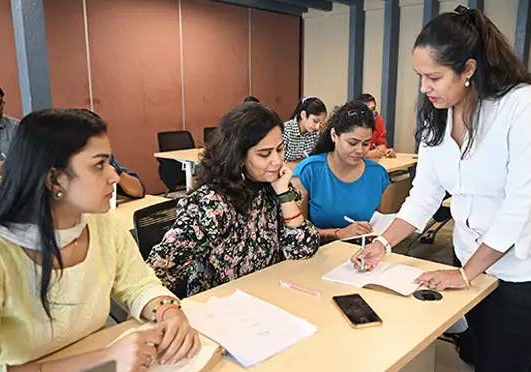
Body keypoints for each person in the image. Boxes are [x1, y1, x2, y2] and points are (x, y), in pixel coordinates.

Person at [352, 6, 531, 372]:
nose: (424, 88)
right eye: (420, 76)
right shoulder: (439, 115)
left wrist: (465, 274)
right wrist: (383, 243)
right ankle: (523, 356)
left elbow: (522, 206)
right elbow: (424, 194)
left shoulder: (526, 107)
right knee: (485, 352)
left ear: (469, 69)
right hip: (473, 255)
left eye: (434, 77)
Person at [0, 109, 200, 372]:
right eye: (99, 165)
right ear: (54, 179)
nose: (114, 176)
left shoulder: (102, 226)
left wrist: (169, 312)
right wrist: (105, 360)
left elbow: (139, 285)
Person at [148, 102, 320, 298]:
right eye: (264, 154)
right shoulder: (212, 204)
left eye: (280, 150)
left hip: (267, 297)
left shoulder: (272, 188)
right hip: (219, 306)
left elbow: (303, 249)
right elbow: (158, 271)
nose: (277, 161)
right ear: (238, 157)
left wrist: (284, 194)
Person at [292, 101, 390, 242]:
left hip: (362, 252)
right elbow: (295, 233)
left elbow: (379, 224)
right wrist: (337, 233)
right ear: (334, 135)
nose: (360, 150)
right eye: (352, 143)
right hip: (319, 252)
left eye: (366, 143)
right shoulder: (308, 171)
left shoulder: (378, 174)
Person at [282, 96, 327, 168]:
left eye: (321, 123)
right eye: (315, 121)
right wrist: (305, 163)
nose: (317, 127)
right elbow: (281, 164)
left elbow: (315, 160)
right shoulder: (286, 131)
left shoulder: (315, 133)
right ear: (303, 115)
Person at [355, 93, 395, 160]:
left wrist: (385, 151)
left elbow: (382, 146)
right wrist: (374, 153)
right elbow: (352, 153)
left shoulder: (377, 119)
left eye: (373, 109)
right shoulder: (352, 123)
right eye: (368, 110)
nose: (372, 113)